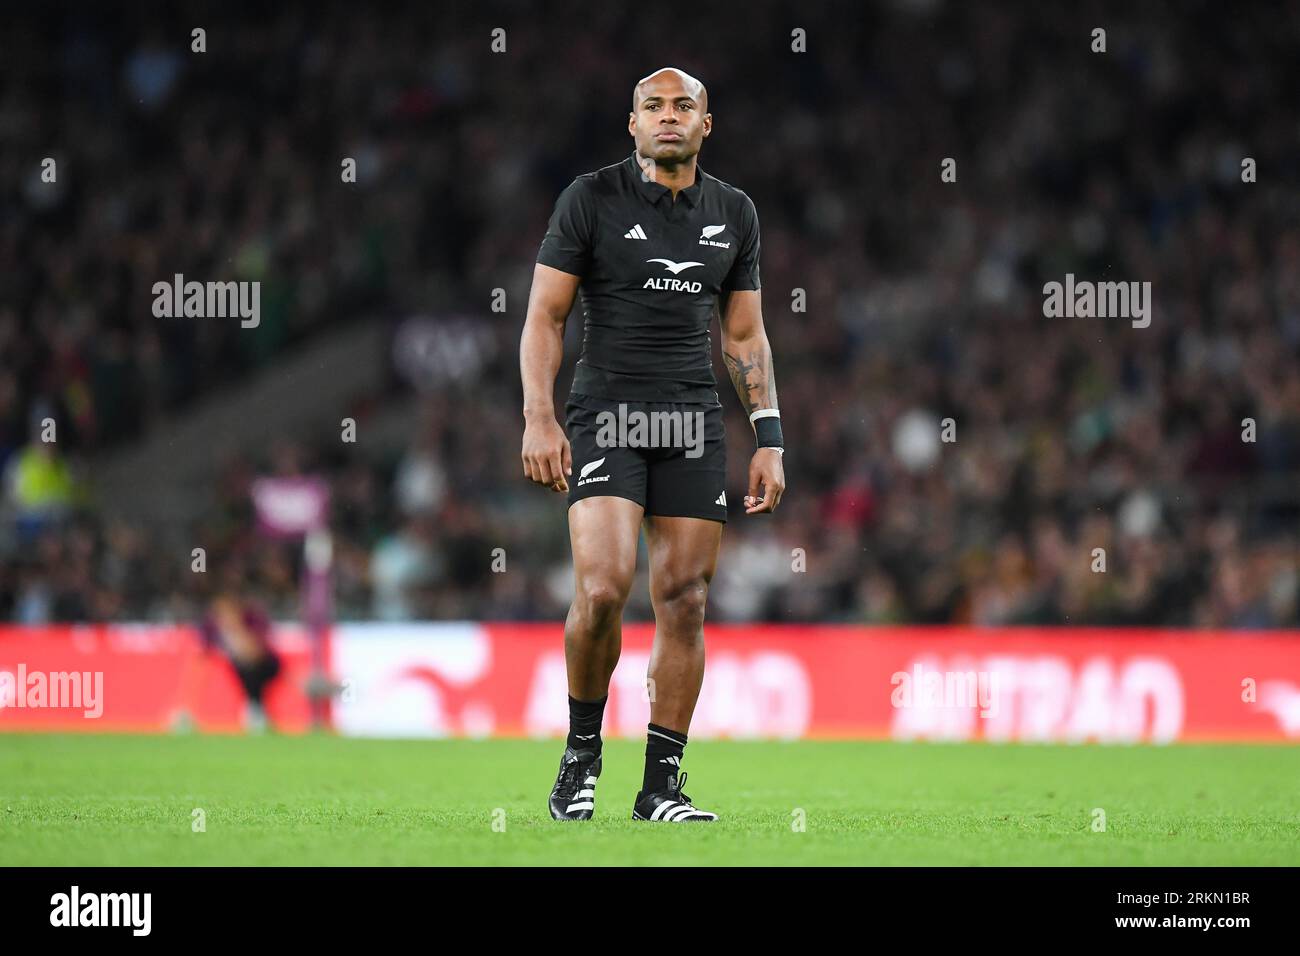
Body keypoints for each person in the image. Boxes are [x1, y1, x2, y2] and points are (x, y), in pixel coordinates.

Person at [520, 67, 785, 822]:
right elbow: (545, 317)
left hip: (691, 421)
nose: (669, 118)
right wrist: (539, 416)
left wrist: (769, 436)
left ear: (707, 124)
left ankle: (660, 788)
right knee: (603, 590)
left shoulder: (734, 212)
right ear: (631, 123)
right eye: (653, 107)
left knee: (685, 600)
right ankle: (580, 757)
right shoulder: (589, 199)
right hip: (606, 412)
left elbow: (743, 334)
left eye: (684, 107)